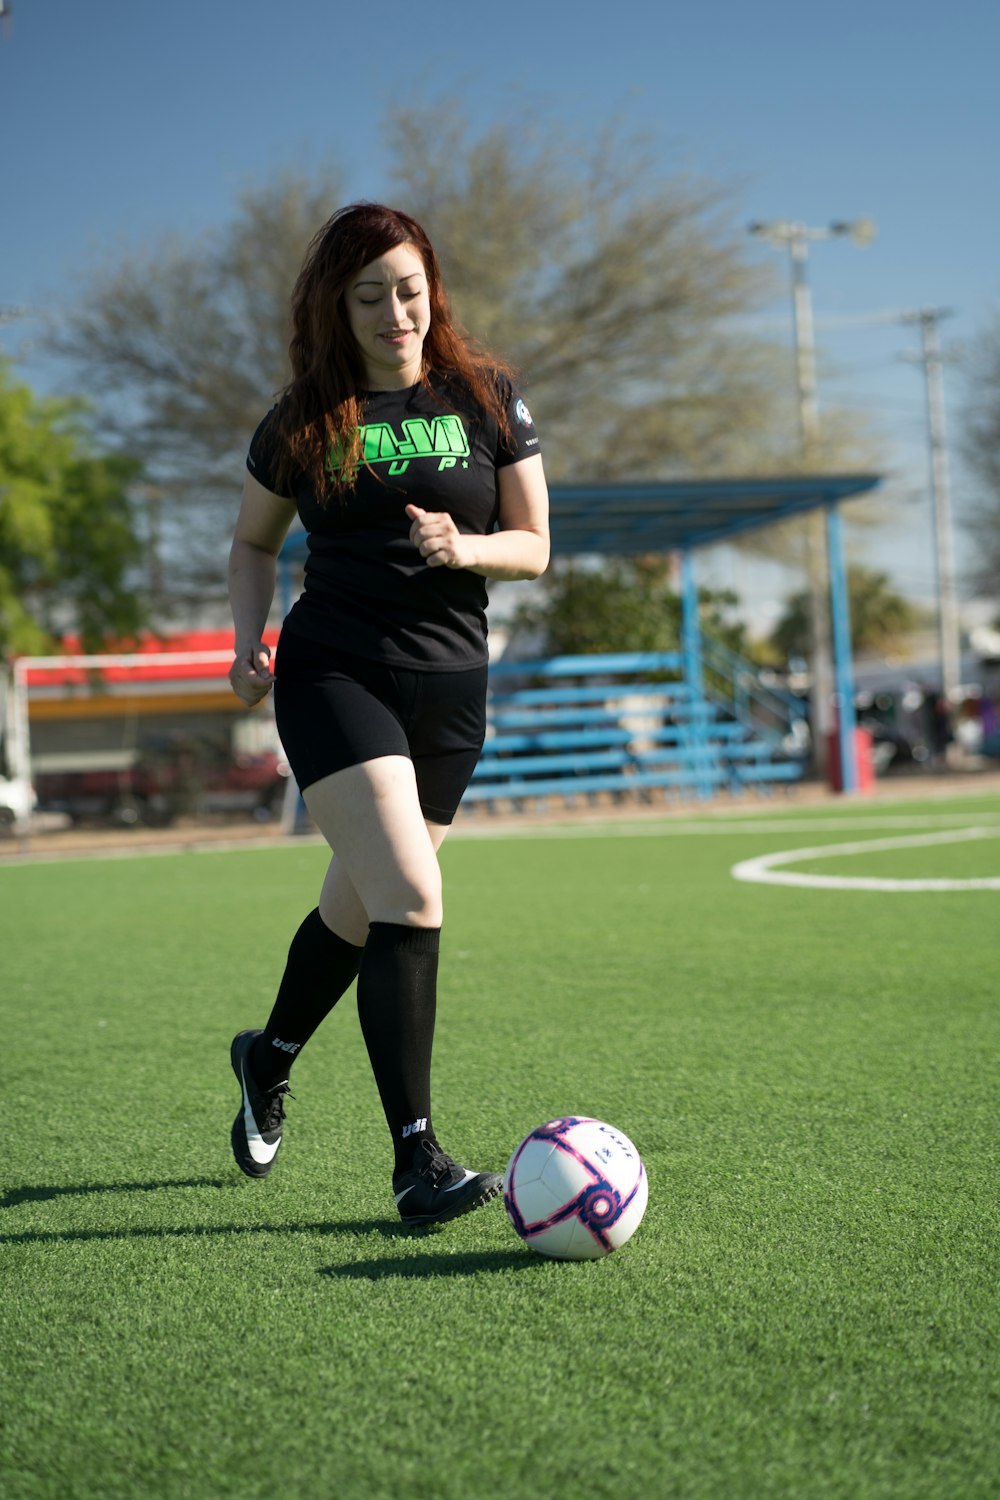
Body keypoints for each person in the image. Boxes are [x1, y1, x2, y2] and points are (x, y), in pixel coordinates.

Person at [226, 202, 550, 1227]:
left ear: (432, 290)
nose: (394, 311)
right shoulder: (302, 418)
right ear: (338, 306)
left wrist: (465, 547)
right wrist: (249, 636)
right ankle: (417, 1160)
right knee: (411, 891)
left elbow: (536, 542)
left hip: (451, 689)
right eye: (370, 295)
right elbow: (251, 543)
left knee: (360, 908)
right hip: (336, 674)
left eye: (408, 288)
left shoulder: (486, 397)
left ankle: (267, 1055)